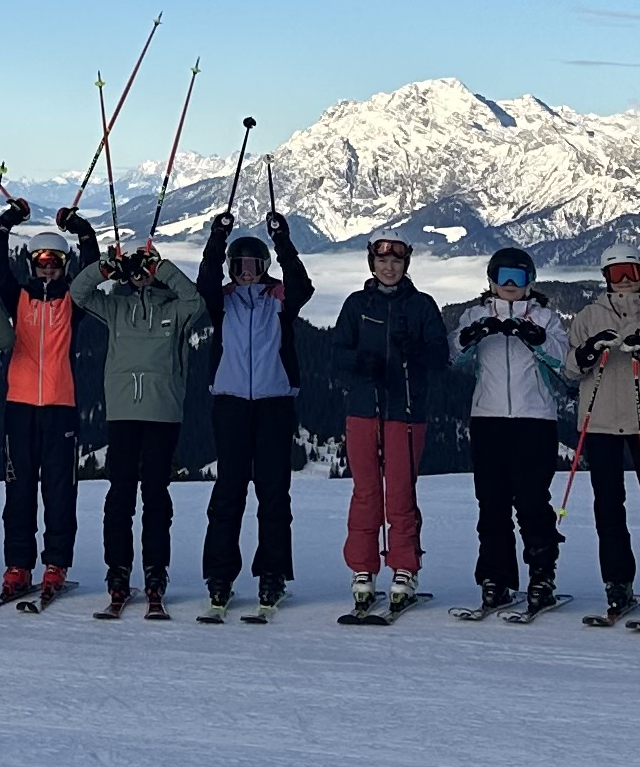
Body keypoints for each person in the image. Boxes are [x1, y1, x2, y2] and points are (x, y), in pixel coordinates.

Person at [73, 226, 202, 617]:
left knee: (157, 498)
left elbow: (196, 300)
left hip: (163, 413)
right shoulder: (116, 307)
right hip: (123, 412)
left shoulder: (174, 310)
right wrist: (105, 267)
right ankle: (118, 570)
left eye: (145, 269)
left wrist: (163, 268)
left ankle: (155, 572)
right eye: (136, 270)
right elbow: (79, 294)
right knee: (120, 497)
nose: (140, 275)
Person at [0, 198, 100, 608]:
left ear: (63, 266)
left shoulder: (72, 302)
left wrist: (81, 229)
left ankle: (56, 564)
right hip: (20, 406)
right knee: (19, 491)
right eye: (41, 263)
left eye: (55, 263)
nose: (48, 269)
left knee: (60, 490)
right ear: (32, 265)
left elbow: (93, 269)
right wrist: (9, 220)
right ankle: (18, 565)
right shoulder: (19, 299)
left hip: (61, 407)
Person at [327, 232, 450, 620]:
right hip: (363, 409)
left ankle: (404, 567)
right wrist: (357, 365)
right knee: (365, 492)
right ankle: (362, 568)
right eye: (382, 261)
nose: (389, 267)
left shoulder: (422, 306)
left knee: (400, 492)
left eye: (396, 261)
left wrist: (417, 352)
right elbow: (336, 354)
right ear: (372, 264)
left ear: (405, 264)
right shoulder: (356, 304)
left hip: (405, 412)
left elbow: (440, 358)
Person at [192, 211, 309, 620]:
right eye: (238, 266)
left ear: (264, 267)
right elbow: (205, 280)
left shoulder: (279, 299)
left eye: (253, 266)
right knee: (229, 492)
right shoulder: (222, 302)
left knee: (274, 493)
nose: (245, 273)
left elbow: (302, 285)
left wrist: (282, 240)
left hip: (275, 403)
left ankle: (272, 573)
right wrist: (217, 236)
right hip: (230, 404)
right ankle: (219, 576)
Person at [563, 256, 640, 625]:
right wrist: (588, 352)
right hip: (600, 423)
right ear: (605, 278)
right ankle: (617, 581)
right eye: (615, 274)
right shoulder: (588, 316)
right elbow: (570, 367)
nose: (623, 281)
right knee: (608, 506)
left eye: (630, 273)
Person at [449, 244, 571, 618]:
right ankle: (495, 578)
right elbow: (453, 354)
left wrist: (535, 339)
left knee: (533, 501)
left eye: (518, 278)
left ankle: (542, 575)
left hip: (535, 419)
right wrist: (472, 335)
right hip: (488, 418)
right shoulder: (475, 313)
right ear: (491, 280)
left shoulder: (546, 318)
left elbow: (564, 360)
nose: (510, 286)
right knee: (492, 503)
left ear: (530, 282)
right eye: (503, 278)